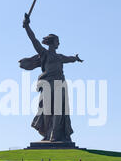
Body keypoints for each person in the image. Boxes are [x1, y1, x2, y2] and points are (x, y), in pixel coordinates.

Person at [20, 13, 83, 142]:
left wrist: (75, 58)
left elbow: (69, 59)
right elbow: (34, 40)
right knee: (47, 111)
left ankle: (55, 135)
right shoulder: (44, 53)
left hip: (60, 85)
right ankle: (48, 134)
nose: (59, 43)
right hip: (48, 85)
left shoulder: (60, 57)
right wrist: (27, 26)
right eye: (57, 41)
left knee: (59, 110)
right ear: (52, 43)